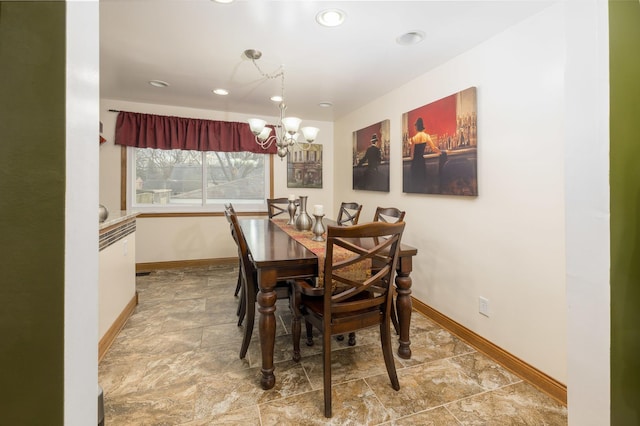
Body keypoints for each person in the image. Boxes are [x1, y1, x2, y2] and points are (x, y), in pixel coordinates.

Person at [408, 117, 441, 191]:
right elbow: (433, 148)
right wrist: (440, 152)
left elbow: (412, 156)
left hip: (415, 163)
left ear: (416, 126)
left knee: (415, 184)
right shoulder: (427, 136)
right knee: (422, 183)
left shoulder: (413, 139)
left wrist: (410, 144)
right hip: (421, 162)